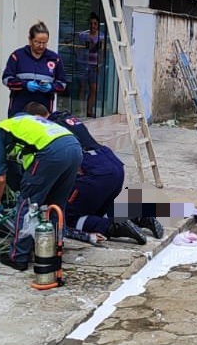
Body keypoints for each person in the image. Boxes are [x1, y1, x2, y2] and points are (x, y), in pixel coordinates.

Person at [24, 102, 162, 244]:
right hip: (112, 163)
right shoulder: (65, 118)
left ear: (36, 118)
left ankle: (112, 227)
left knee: (67, 218)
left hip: (93, 171)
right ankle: (138, 217)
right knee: (99, 208)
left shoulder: (49, 128)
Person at [0, 113, 83, 271]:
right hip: (74, 147)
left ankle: (18, 257)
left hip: (52, 152)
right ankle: (50, 252)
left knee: (27, 205)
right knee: (55, 206)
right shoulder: (19, 123)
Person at [2, 21, 66, 117]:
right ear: (30, 40)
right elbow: (6, 79)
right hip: (19, 108)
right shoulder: (17, 56)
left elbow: (62, 84)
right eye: (37, 42)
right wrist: (24, 84)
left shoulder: (55, 59)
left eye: (44, 43)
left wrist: (51, 87)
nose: (41, 46)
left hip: (43, 111)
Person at [77, 13, 104, 118]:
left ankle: (89, 110)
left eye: (95, 24)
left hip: (94, 65)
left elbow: (101, 52)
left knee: (93, 89)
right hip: (84, 64)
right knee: (82, 87)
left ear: (98, 25)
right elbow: (78, 48)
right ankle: (81, 110)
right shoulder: (83, 35)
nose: (93, 26)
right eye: (91, 23)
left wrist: (99, 64)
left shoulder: (101, 36)